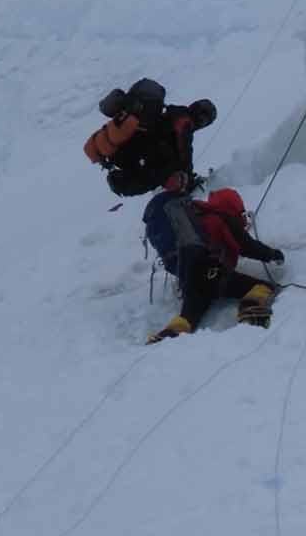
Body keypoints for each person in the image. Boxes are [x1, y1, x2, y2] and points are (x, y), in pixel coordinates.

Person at [145, 187, 286, 343]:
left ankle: (168, 334)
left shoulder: (197, 219)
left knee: (189, 316)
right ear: (233, 207)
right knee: (263, 287)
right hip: (212, 273)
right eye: (241, 212)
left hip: (189, 277)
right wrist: (273, 255)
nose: (243, 218)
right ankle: (251, 308)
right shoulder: (223, 218)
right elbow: (248, 247)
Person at [84, 78, 217, 197]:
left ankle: (120, 178)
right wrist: (188, 176)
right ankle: (121, 181)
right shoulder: (185, 121)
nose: (202, 122)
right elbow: (184, 151)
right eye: (204, 120)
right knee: (161, 173)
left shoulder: (171, 111)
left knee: (159, 169)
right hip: (145, 150)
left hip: (135, 148)